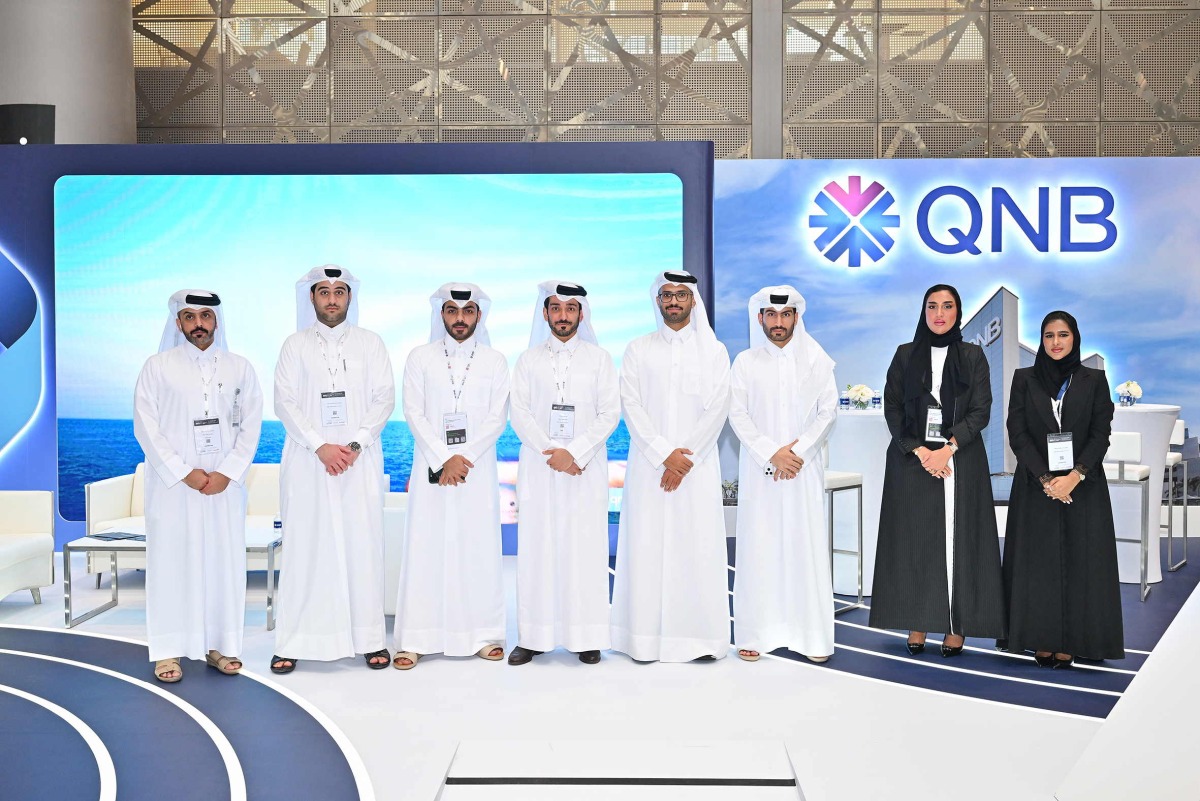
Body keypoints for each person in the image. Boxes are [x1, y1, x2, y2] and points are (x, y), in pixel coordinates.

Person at [133, 290, 263, 683]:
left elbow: (251, 424)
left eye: (206, 316)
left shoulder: (240, 368)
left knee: (222, 564)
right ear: (178, 323)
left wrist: (228, 471)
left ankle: (220, 646)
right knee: (171, 564)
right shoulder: (157, 367)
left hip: (223, 488)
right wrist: (183, 471)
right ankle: (168, 651)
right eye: (189, 317)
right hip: (174, 489)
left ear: (217, 321)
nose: (199, 324)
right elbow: (146, 427)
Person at [271, 265, 395, 673]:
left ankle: (370, 640)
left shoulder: (371, 344)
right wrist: (320, 446)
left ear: (349, 298)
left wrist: (354, 444)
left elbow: (384, 399)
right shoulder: (294, 346)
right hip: (309, 463)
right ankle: (293, 640)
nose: (331, 299)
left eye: (339, 291)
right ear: (312, 298)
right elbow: (284, 402)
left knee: (362, 547)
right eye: (323, 291)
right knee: (306, 548)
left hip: (358, 463)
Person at [869, 284, 1005, 656]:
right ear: (923, 311)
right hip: (912, 462)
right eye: (932, 306)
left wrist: (947, 449)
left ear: (957, 312)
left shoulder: (974, 356)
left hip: (960, 460)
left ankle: (956, 626)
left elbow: (981, 410)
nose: (939, 313)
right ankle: (918, 621)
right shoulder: (904, 355)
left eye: (947, 306)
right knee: (917, 543)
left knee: (958, 543)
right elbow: (893, 407)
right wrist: (918, 450)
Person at [611, 270, 731, 663]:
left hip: (696, 470)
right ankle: (642, 640)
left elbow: (718, 409)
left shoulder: (714, 352)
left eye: (682, 295)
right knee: (646, 547)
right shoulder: (638, 349)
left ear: (693, 301)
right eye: (667, 296)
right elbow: (632, 405)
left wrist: (683, 460)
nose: (674, 302)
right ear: (658, 302)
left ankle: (698, 641)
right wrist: (664, 454)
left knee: (696, 548)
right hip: (650, 469)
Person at [392, 283, 510, 669]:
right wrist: (444, 459)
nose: (460, 319)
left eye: (468, 311)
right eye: (452, 311)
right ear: (441, 314)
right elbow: (414, 411)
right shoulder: (420, 357)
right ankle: (416, 639)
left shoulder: (494, 361)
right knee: (426, 549)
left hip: (475, 470)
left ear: (479, 315)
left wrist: (464, 457)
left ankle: (482, 634)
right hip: (433, 470)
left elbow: (498, 418)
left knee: (476, 550)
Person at [507, 281, 620, 666]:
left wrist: (575, 453)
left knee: (584, 549)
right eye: (556, 308)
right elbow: (519, 412)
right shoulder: (528, 360)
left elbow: (610, 413)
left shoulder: (600, 359)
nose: (563, 316)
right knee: (538, 550)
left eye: (571, 309)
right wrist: (550, 452)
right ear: (545, 313)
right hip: (541, 469)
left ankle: (586, 636)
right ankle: (534, 637)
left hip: (584, 471)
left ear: (581, 314)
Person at [1002, 311, 1123, 668]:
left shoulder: (1094, 380)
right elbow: (1017, 433)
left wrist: (1075, 474)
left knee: (1081, 563)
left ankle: (1074, 640)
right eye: (1049, 335)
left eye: (1063, 335)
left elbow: (1102, 434)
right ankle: (1040, 637)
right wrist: (1044, 478)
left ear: (1075, 338)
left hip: (1083, 487)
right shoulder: (1024, 378)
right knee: (1037, 565)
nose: (1055, 342)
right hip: (1035, 486)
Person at [728, 286, 837, 664]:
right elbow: (737, 414)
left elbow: (828, 412)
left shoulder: (817, 359)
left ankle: (811, 636)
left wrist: (798, 452)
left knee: (803, 547)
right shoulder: (744, 362)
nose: (778, 322)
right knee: (759, 547)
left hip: (802, 471)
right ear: (760, 318)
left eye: (785, 314)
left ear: (796, 317)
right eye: (771, 315)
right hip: (762, 473)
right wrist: (772, 454)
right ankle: (756, 633)